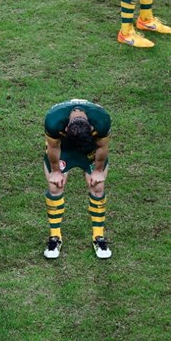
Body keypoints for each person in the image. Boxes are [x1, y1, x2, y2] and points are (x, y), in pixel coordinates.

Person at [42, 99, 112, 259]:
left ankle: (98, 237)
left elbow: (102, 146)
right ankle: (55, 237)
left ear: (92, 128)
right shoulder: (54, 120)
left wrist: (99, 170)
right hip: (64, 148)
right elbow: (53, 147)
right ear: (66, 128)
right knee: (55, 186)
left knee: (97, 186)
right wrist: (55, 171)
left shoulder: (101, 120)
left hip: (90, 148)